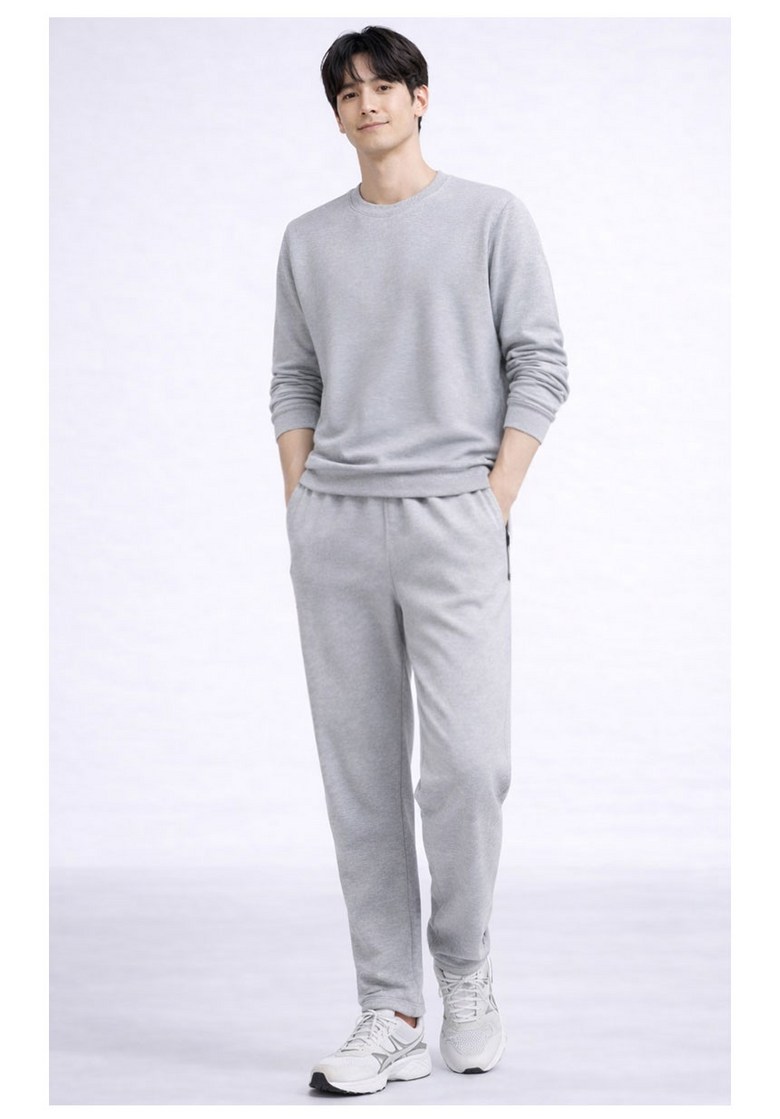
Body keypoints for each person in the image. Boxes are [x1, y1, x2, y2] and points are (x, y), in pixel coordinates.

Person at [269, 24, 570, 1096]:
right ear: (337, 114)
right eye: (348, 91)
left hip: (454, 520)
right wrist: (303, 501)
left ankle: (466, 970)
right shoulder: (308, 239)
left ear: (421, 97)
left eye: (384, 85)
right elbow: (293, 379)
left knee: (467, 769)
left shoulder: (491, 218)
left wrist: (491, 500)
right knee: (359, 777)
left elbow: (541, 362)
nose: (368, 103)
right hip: (337, 530)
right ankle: (390, 1009)